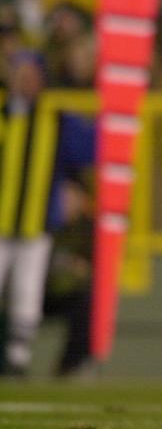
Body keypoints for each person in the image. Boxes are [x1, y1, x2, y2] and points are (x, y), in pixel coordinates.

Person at [0, 50, 95, 376]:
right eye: (20, 72)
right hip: (2, 222)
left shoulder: (55, 119)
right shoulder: (5, 114)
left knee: (27, 291)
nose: (26, 79)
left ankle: (17, 359)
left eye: (31, 73)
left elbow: (90, 148)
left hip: (35, 223)